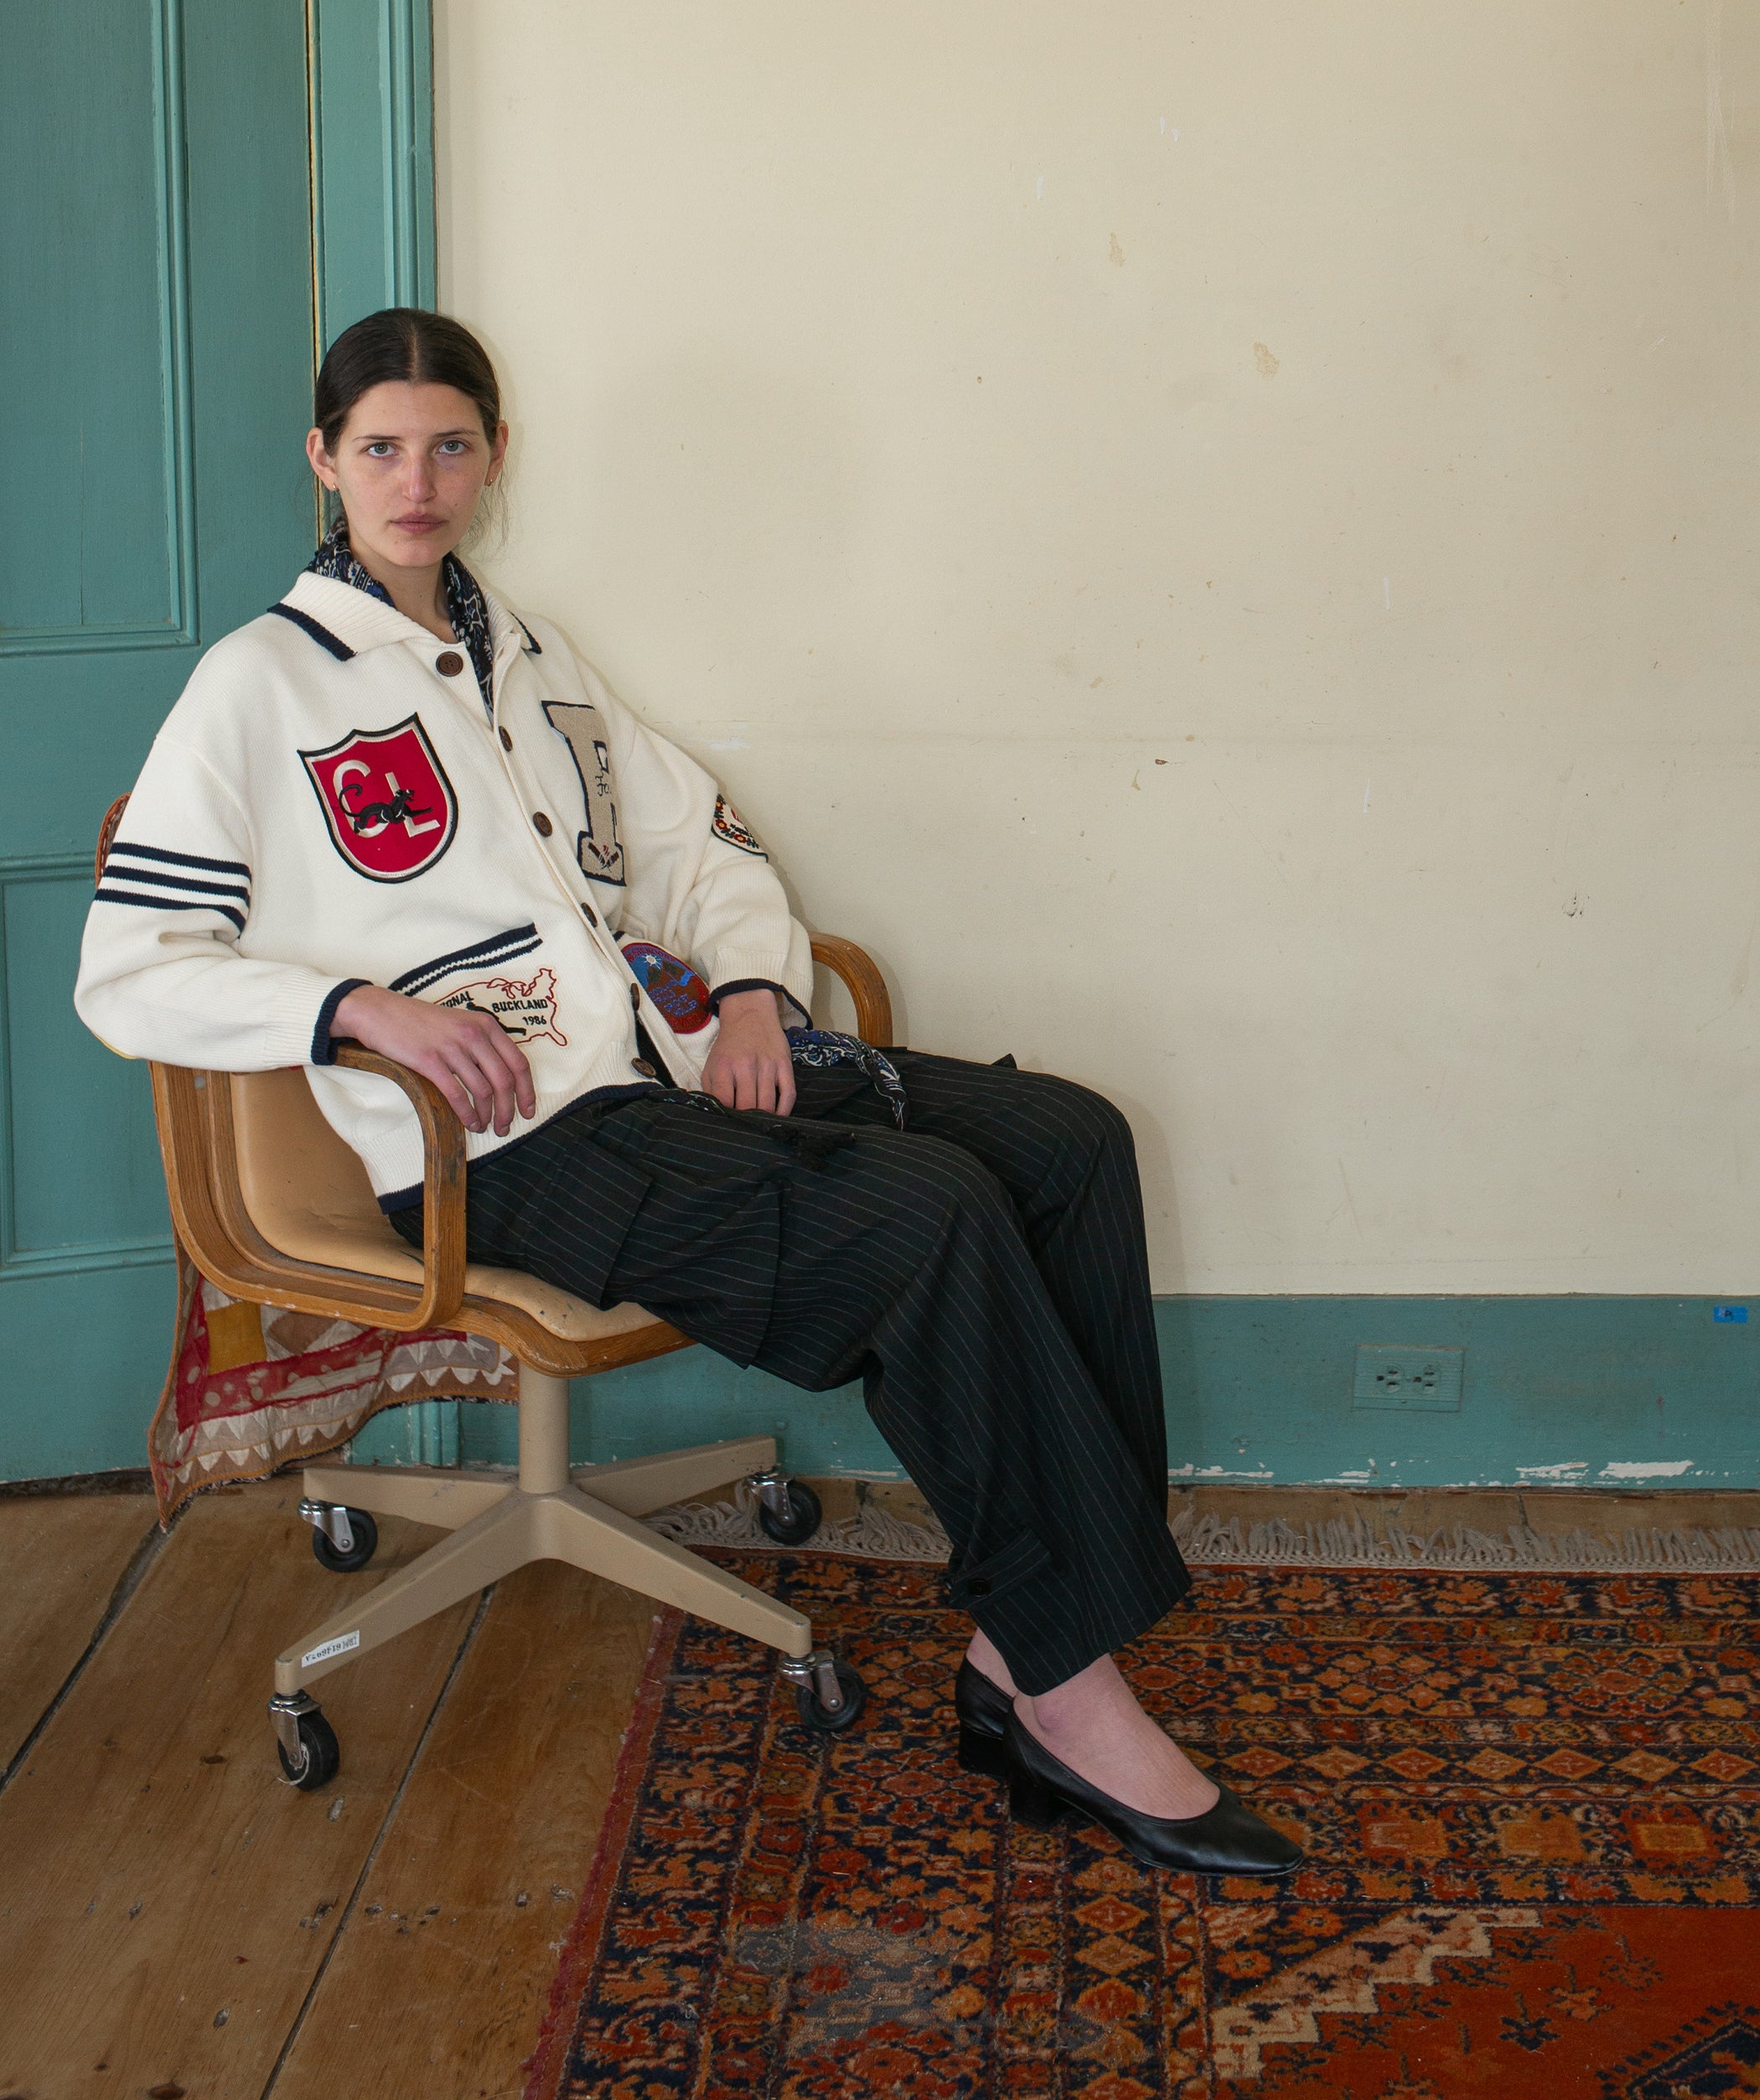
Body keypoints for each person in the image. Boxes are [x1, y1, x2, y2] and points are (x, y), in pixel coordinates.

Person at [75, 309, 1300, 1880]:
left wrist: (749, 990)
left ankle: (1023, 1637)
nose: (416, 481)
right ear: (324, 460)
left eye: (450, 445)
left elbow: (697, 843)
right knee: (928, 1216)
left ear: (496, 458)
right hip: (510, 1144)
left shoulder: (530, 656)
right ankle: (1069, 1693)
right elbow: (132, 966)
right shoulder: (259, 685)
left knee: (1067, 1139)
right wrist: (352, 1006)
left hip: (662, 1072)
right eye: (380, 448)